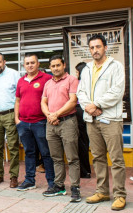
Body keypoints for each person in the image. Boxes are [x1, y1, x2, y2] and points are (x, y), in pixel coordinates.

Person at [76, 34, 127, 210]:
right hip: (92, 119)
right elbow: (80, 92)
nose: (95, 50)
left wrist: (96, 104)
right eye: (92, 48)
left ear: (105, 47)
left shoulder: (116, 66)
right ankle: (102, 191)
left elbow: (117, 91)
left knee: (116, 158)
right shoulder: (87, 69)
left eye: (98, 47)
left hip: (110, 119)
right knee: (98, 157)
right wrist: (89, 108)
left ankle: (120, 194)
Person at [41, 55, 81, 202]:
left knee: (72, 158)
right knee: (56, 157)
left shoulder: (71, 80)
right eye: (53, 66)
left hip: (67, 122)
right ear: (50, 68)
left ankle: (75, 187)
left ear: (64, 65)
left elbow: (73, 101)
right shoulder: (48, 83)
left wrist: (56, 114)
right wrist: (49, 115)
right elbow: (43, 102)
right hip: (51, 124)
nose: (55, 68)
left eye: (58, 65)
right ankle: (59, 186)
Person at [15, 53, 55, 191]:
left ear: (38, 64)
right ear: (24, 65)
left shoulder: (47, 79)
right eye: (27, 63)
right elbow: (18, 100)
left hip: (41, 122)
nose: (30, 65)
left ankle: (51, 182)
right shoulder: (21, 81)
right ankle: (29, 180)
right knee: (29, 152)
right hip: (24, 123)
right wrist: (17, 119)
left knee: (46, 153)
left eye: (32, 62)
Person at [0, 52, 20, 188]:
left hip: (10, 114)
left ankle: (13, 176)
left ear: (4, 62)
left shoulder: (14, 74)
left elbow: (20, 95)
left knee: (13, 146)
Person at [75, 62, 91, 179]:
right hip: (85, 112)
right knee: (84, 141)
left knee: (80, 142)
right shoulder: (88, 83)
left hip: (79, 111)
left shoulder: (79, 83)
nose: (76, 74)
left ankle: (83, 171)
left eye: (77, 71)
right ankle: (86, 170)